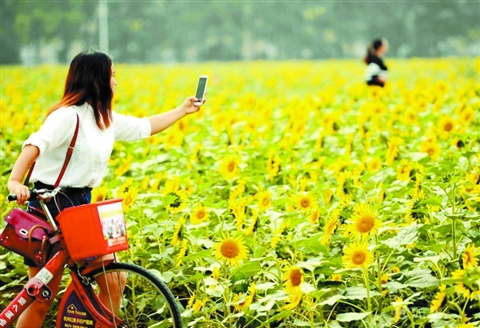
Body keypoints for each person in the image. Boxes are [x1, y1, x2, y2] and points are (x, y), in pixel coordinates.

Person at [7, 49, 205, 328]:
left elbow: (144, 127)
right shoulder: (67, 116)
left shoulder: (104, 118)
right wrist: (15, 182)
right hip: (50, 205)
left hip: (82, 206)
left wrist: (183, 110)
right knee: (41, 298)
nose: (116, 82)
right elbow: (34, 146)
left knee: (114, 279)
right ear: (97, 80)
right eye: (112, 76)